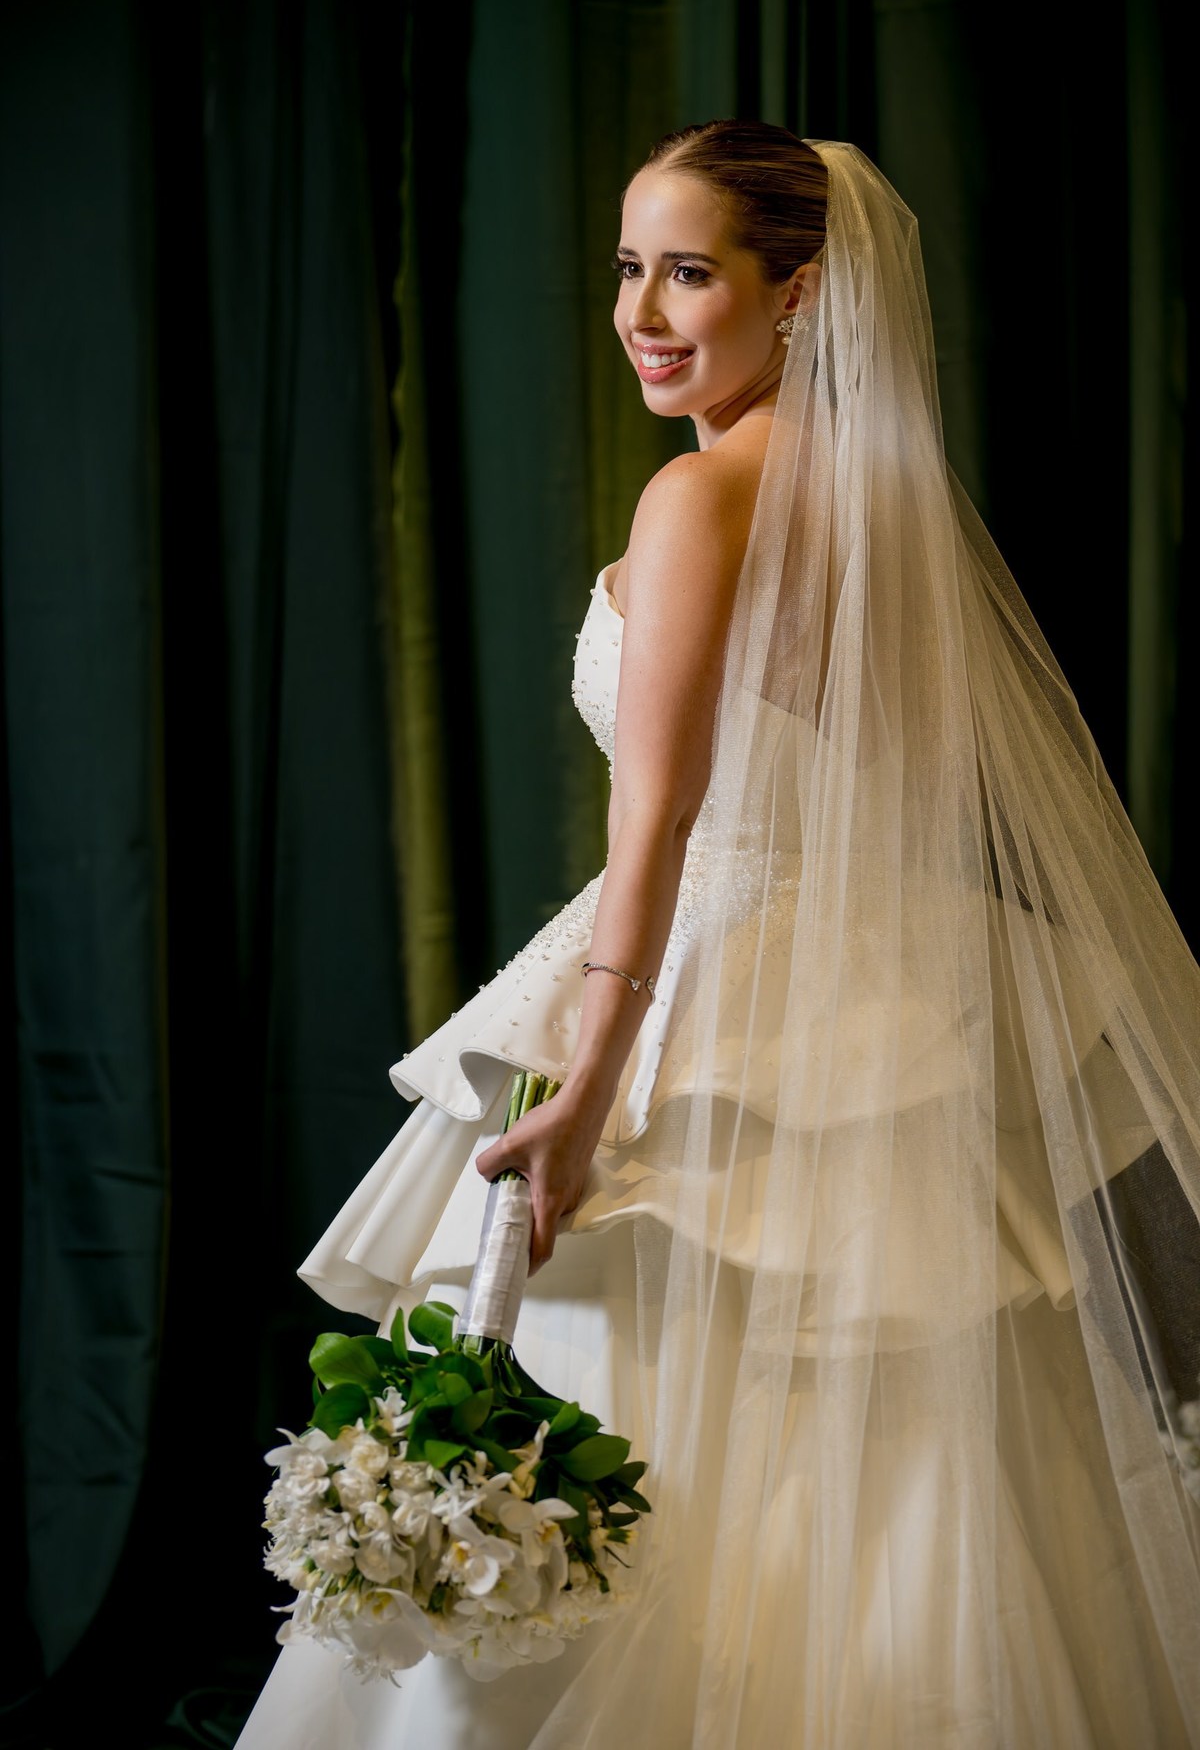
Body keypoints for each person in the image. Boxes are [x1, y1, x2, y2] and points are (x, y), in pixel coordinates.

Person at [235, 124, 1200, 1748]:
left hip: (714, 989)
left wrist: (589, 1086)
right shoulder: (893, 512)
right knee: (908, 1434)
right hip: (890, 999)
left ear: (799, 295)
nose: (641, 313)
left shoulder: (701, 498)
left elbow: (662, 824)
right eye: (629, 268)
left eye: (689, 272)